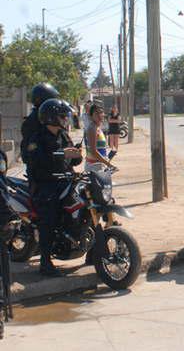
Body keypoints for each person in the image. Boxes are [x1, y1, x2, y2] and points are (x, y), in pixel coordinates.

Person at [27, 99, 83, 277]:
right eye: (62, 116)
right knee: (49, 219)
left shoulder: (63, 135)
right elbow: (36, 161)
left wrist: (76, 155)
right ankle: (45, 263)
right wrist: (61, 154)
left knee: (84, 206)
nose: (66, 118)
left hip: (65, 181)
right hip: (46, 185)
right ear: (52, 118)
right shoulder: (36, 138)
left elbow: (73, 160)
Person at [21, 83, 60, 169]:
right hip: (41, 174)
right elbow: (33, 151)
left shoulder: (45, 116)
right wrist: (61, 154)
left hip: (53, 169)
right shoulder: (35, 120)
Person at [85, 102, 116, 173]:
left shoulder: (98, 128)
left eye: (101, 112)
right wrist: (109, 165)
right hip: (93, 167)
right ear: (91, 116)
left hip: (100, 166)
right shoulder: (92, 128)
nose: (100, 115)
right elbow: (93, 151)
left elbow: (100, 150)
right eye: (96, 113)